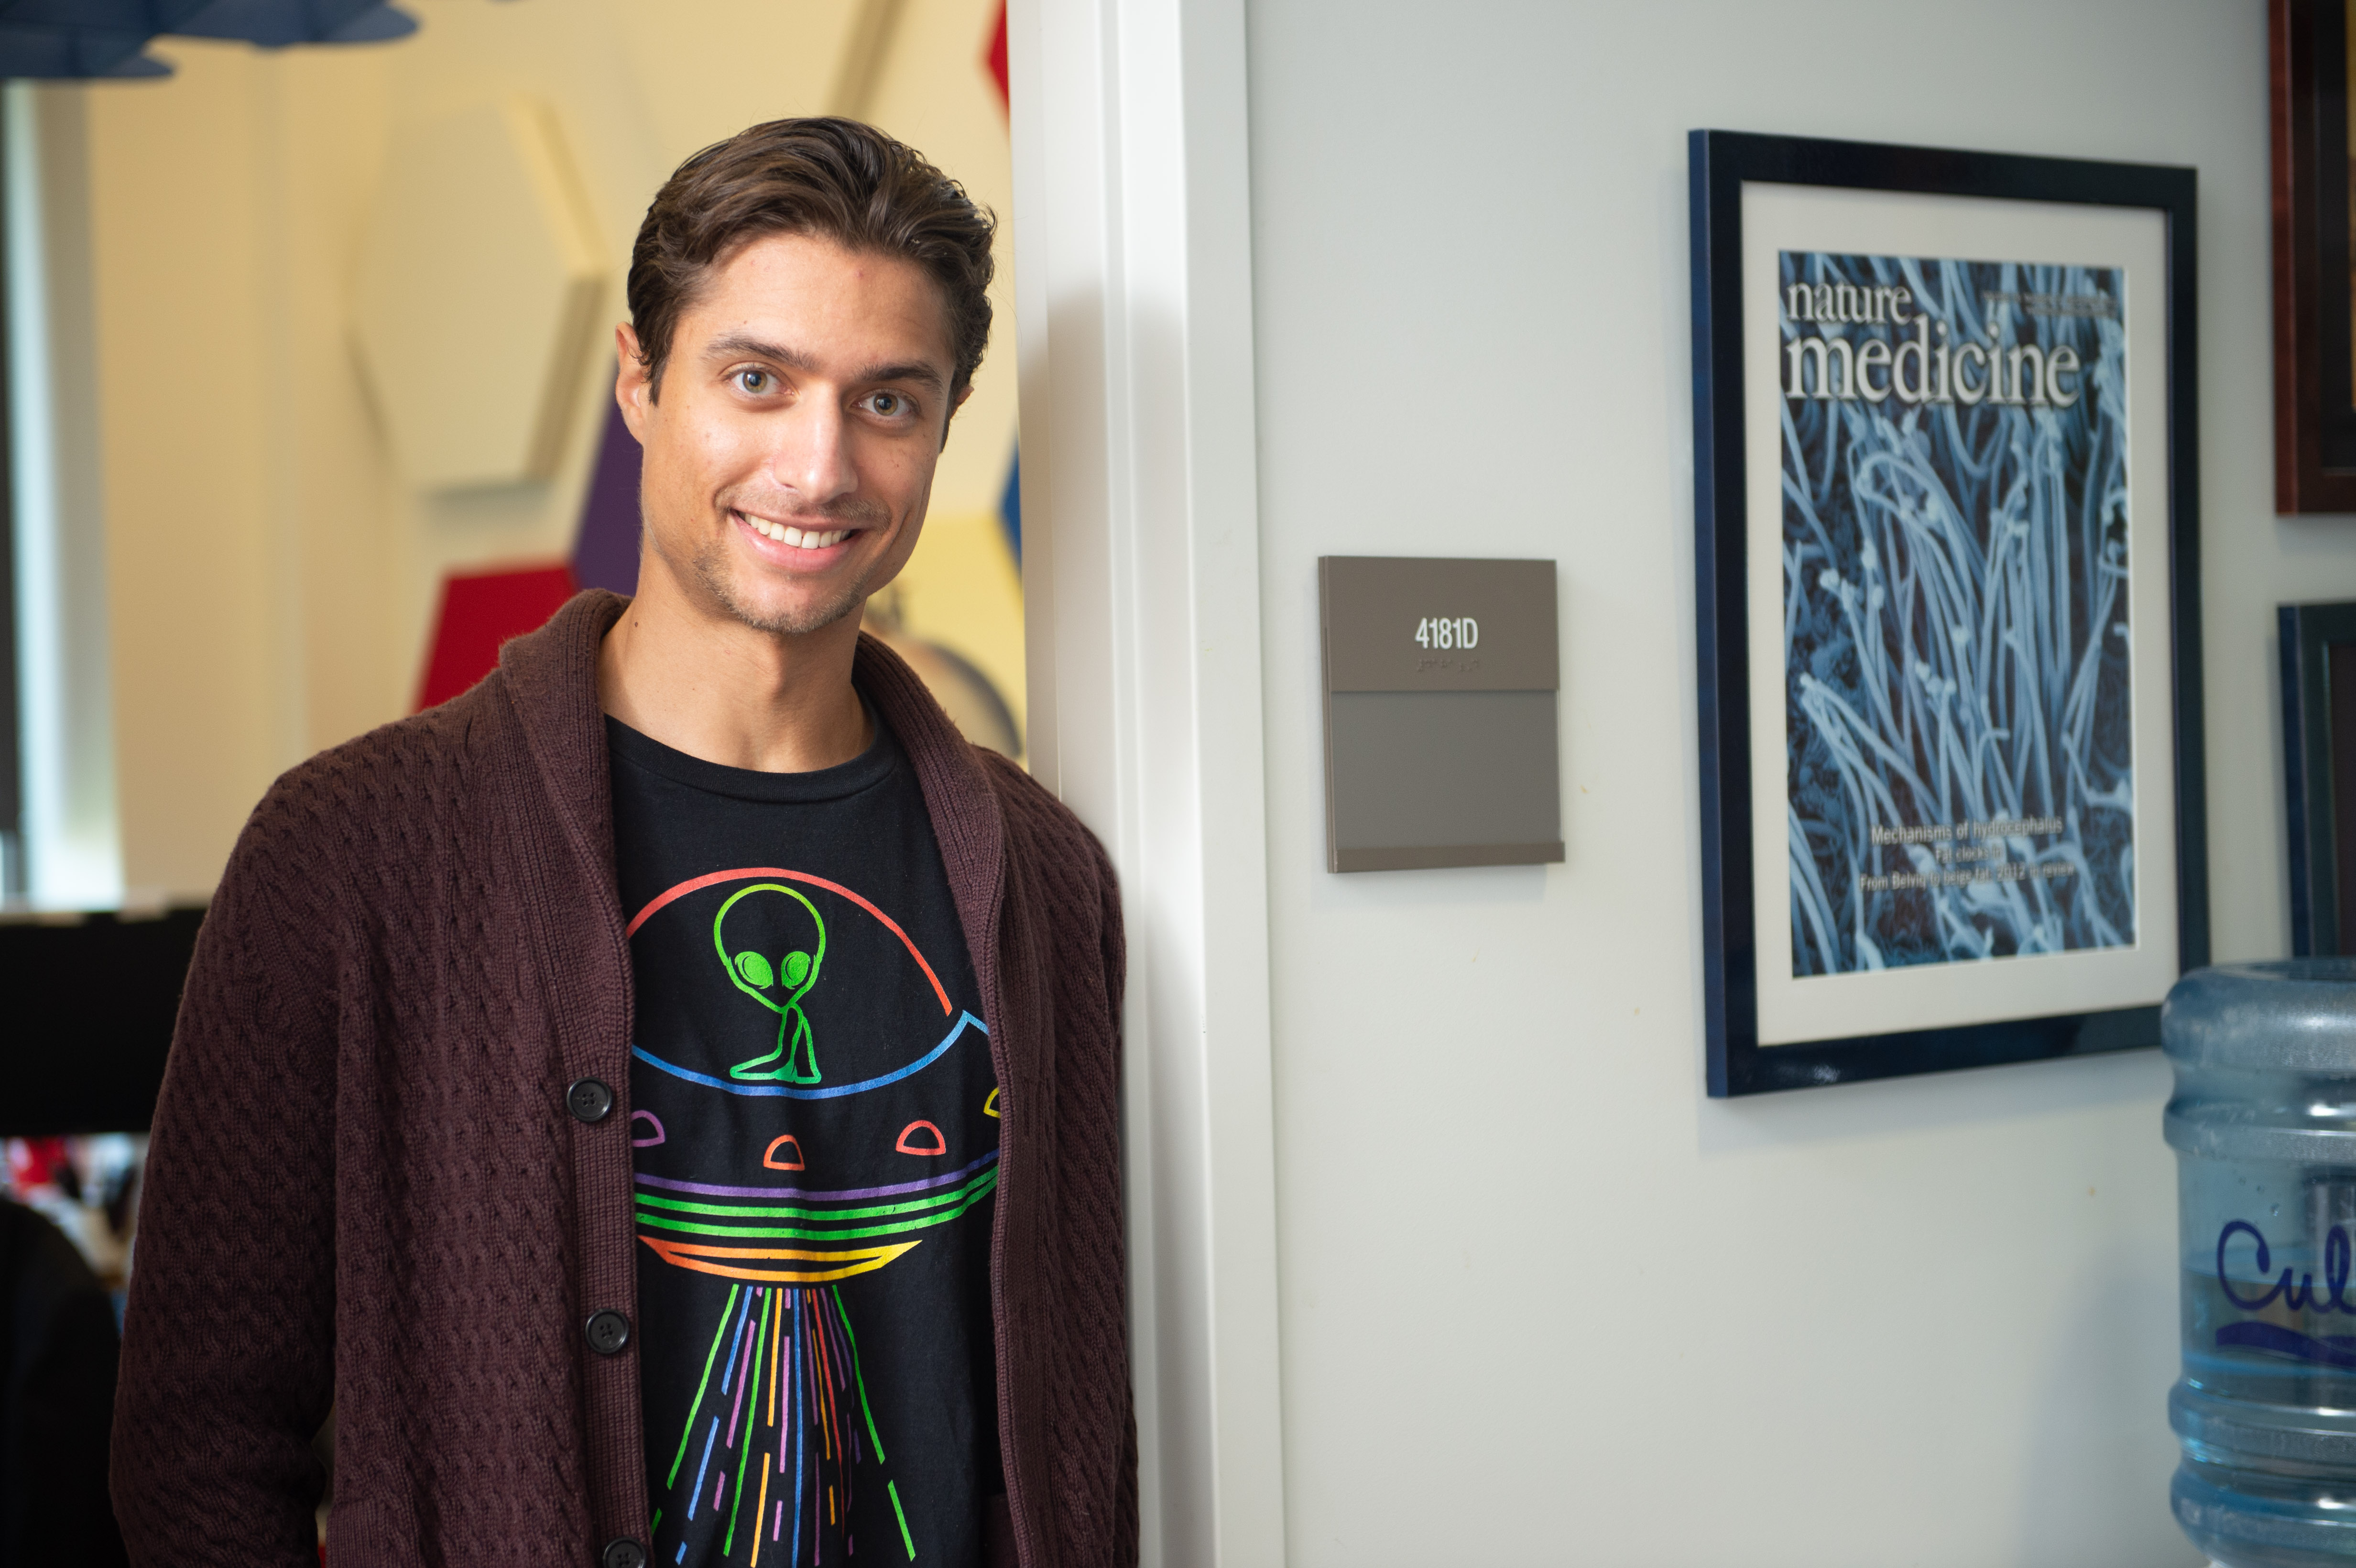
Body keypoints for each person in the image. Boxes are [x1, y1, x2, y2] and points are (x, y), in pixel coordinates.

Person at [109, 118, 1134, 1568]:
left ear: (944, 429)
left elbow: (1088, 1405)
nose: (819, 464)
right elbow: (200, 1439)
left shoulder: (1042, 878)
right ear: (641, 383)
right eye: (758, 381)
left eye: (888, 401)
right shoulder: (353, 854)